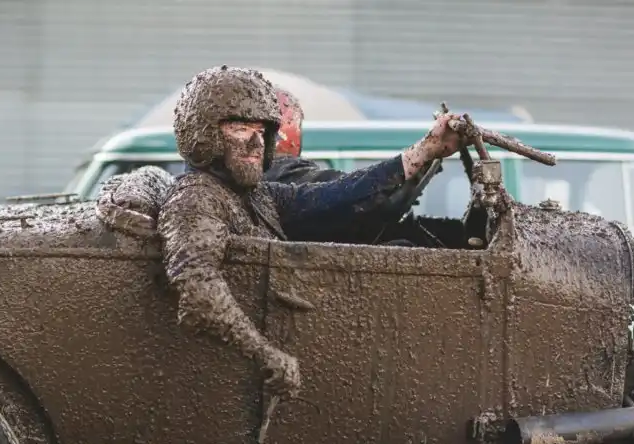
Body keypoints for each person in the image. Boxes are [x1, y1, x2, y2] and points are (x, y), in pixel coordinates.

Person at [157, 65, 462, 400]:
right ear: (205, 134)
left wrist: (426, 150)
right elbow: (197, 291)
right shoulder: (197, 199)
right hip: (228, 385)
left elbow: (335, 197)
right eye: (240, 128)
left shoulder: (256, 195)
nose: (257, 142)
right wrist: (264, 353)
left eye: (262, 130)